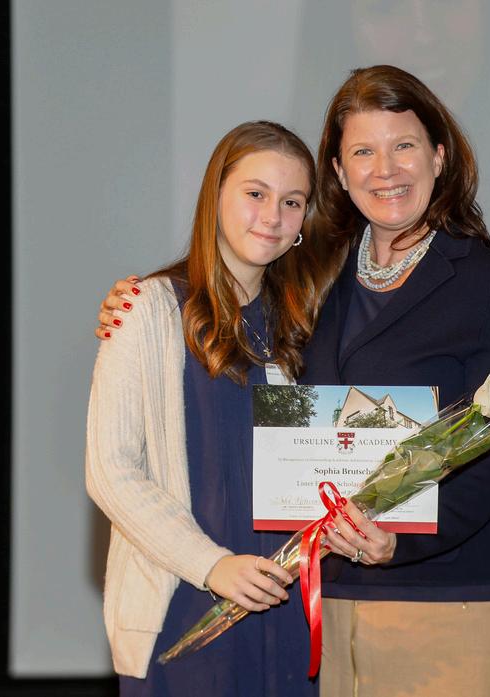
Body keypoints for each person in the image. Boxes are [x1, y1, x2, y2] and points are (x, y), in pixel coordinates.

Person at [95, 65, 490, 697]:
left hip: (443, 594)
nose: (385, 170)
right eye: (363, 152)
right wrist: (136, 302)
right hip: (316, 599)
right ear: (339, 172)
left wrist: (400, 543)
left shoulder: (487, 281)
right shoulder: (314, 281)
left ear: (439, 156)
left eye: (404, 145)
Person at [85, 120, 322, 696]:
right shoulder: (147, 309)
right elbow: (111, 470)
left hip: (287, 613)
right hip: (182, 605)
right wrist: (211, 564)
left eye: (292, 202)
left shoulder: (302, 329)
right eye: (255, 193)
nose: (272, 216)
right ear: (215, 196)